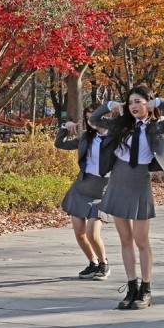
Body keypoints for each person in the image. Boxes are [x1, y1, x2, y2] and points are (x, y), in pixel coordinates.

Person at [91, 85, 164, 310]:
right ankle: (131, 288)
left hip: (139, 182)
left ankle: (146, 289)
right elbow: (95, 119)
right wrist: (109, 106)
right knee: (125, 240)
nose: (133, 106)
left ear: (148, 103)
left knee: (141, 240)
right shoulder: (119, 125)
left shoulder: (158, 126)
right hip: (118, 181)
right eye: (130, 102)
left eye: (138, 101)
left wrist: (161, 102)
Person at [55, 103, 115, 280]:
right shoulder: (85, 139)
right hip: (81, 189)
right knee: (80, 234)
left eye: (95, 117)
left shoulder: (116, 137)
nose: (92, 121)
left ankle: (104, 264)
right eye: (88, 118)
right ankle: (93, 263)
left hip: (102, 191)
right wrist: (65, 127)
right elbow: (60, 144)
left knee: (92, 233)